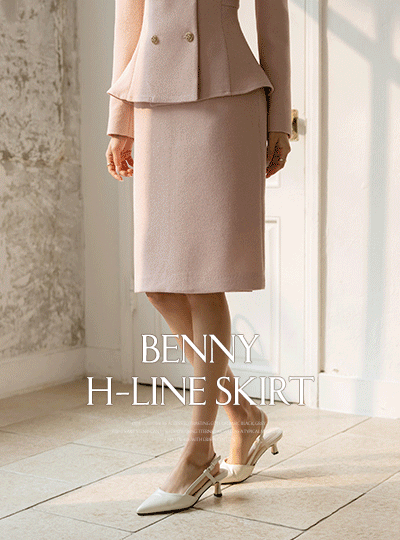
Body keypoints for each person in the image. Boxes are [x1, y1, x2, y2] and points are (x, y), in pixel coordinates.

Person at [105, 0, 291, 515]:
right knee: (160, 284)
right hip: (152, 98)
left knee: (203, 278)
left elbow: (273, 23)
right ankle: (245, 417)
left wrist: (279, 118)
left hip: (226, 98)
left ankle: (198, 452)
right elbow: (129, 20)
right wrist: (120, 118)